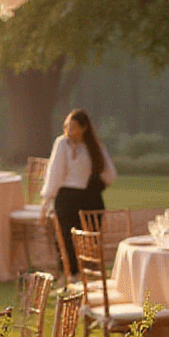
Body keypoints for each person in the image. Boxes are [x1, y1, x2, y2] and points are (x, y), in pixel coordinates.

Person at [44, 108, 116, 272]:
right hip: (67, 197)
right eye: (67, 126)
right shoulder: (62, 143)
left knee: (90, 238)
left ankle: (90, 271)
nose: (69, 131)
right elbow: (55, 172)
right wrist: (48, 197)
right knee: (66, 237)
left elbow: (110, 174)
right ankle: (71, 273)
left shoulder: (94, 146)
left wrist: (95, 186)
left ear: (84, 128)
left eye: (73, 126)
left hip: (90, 198)